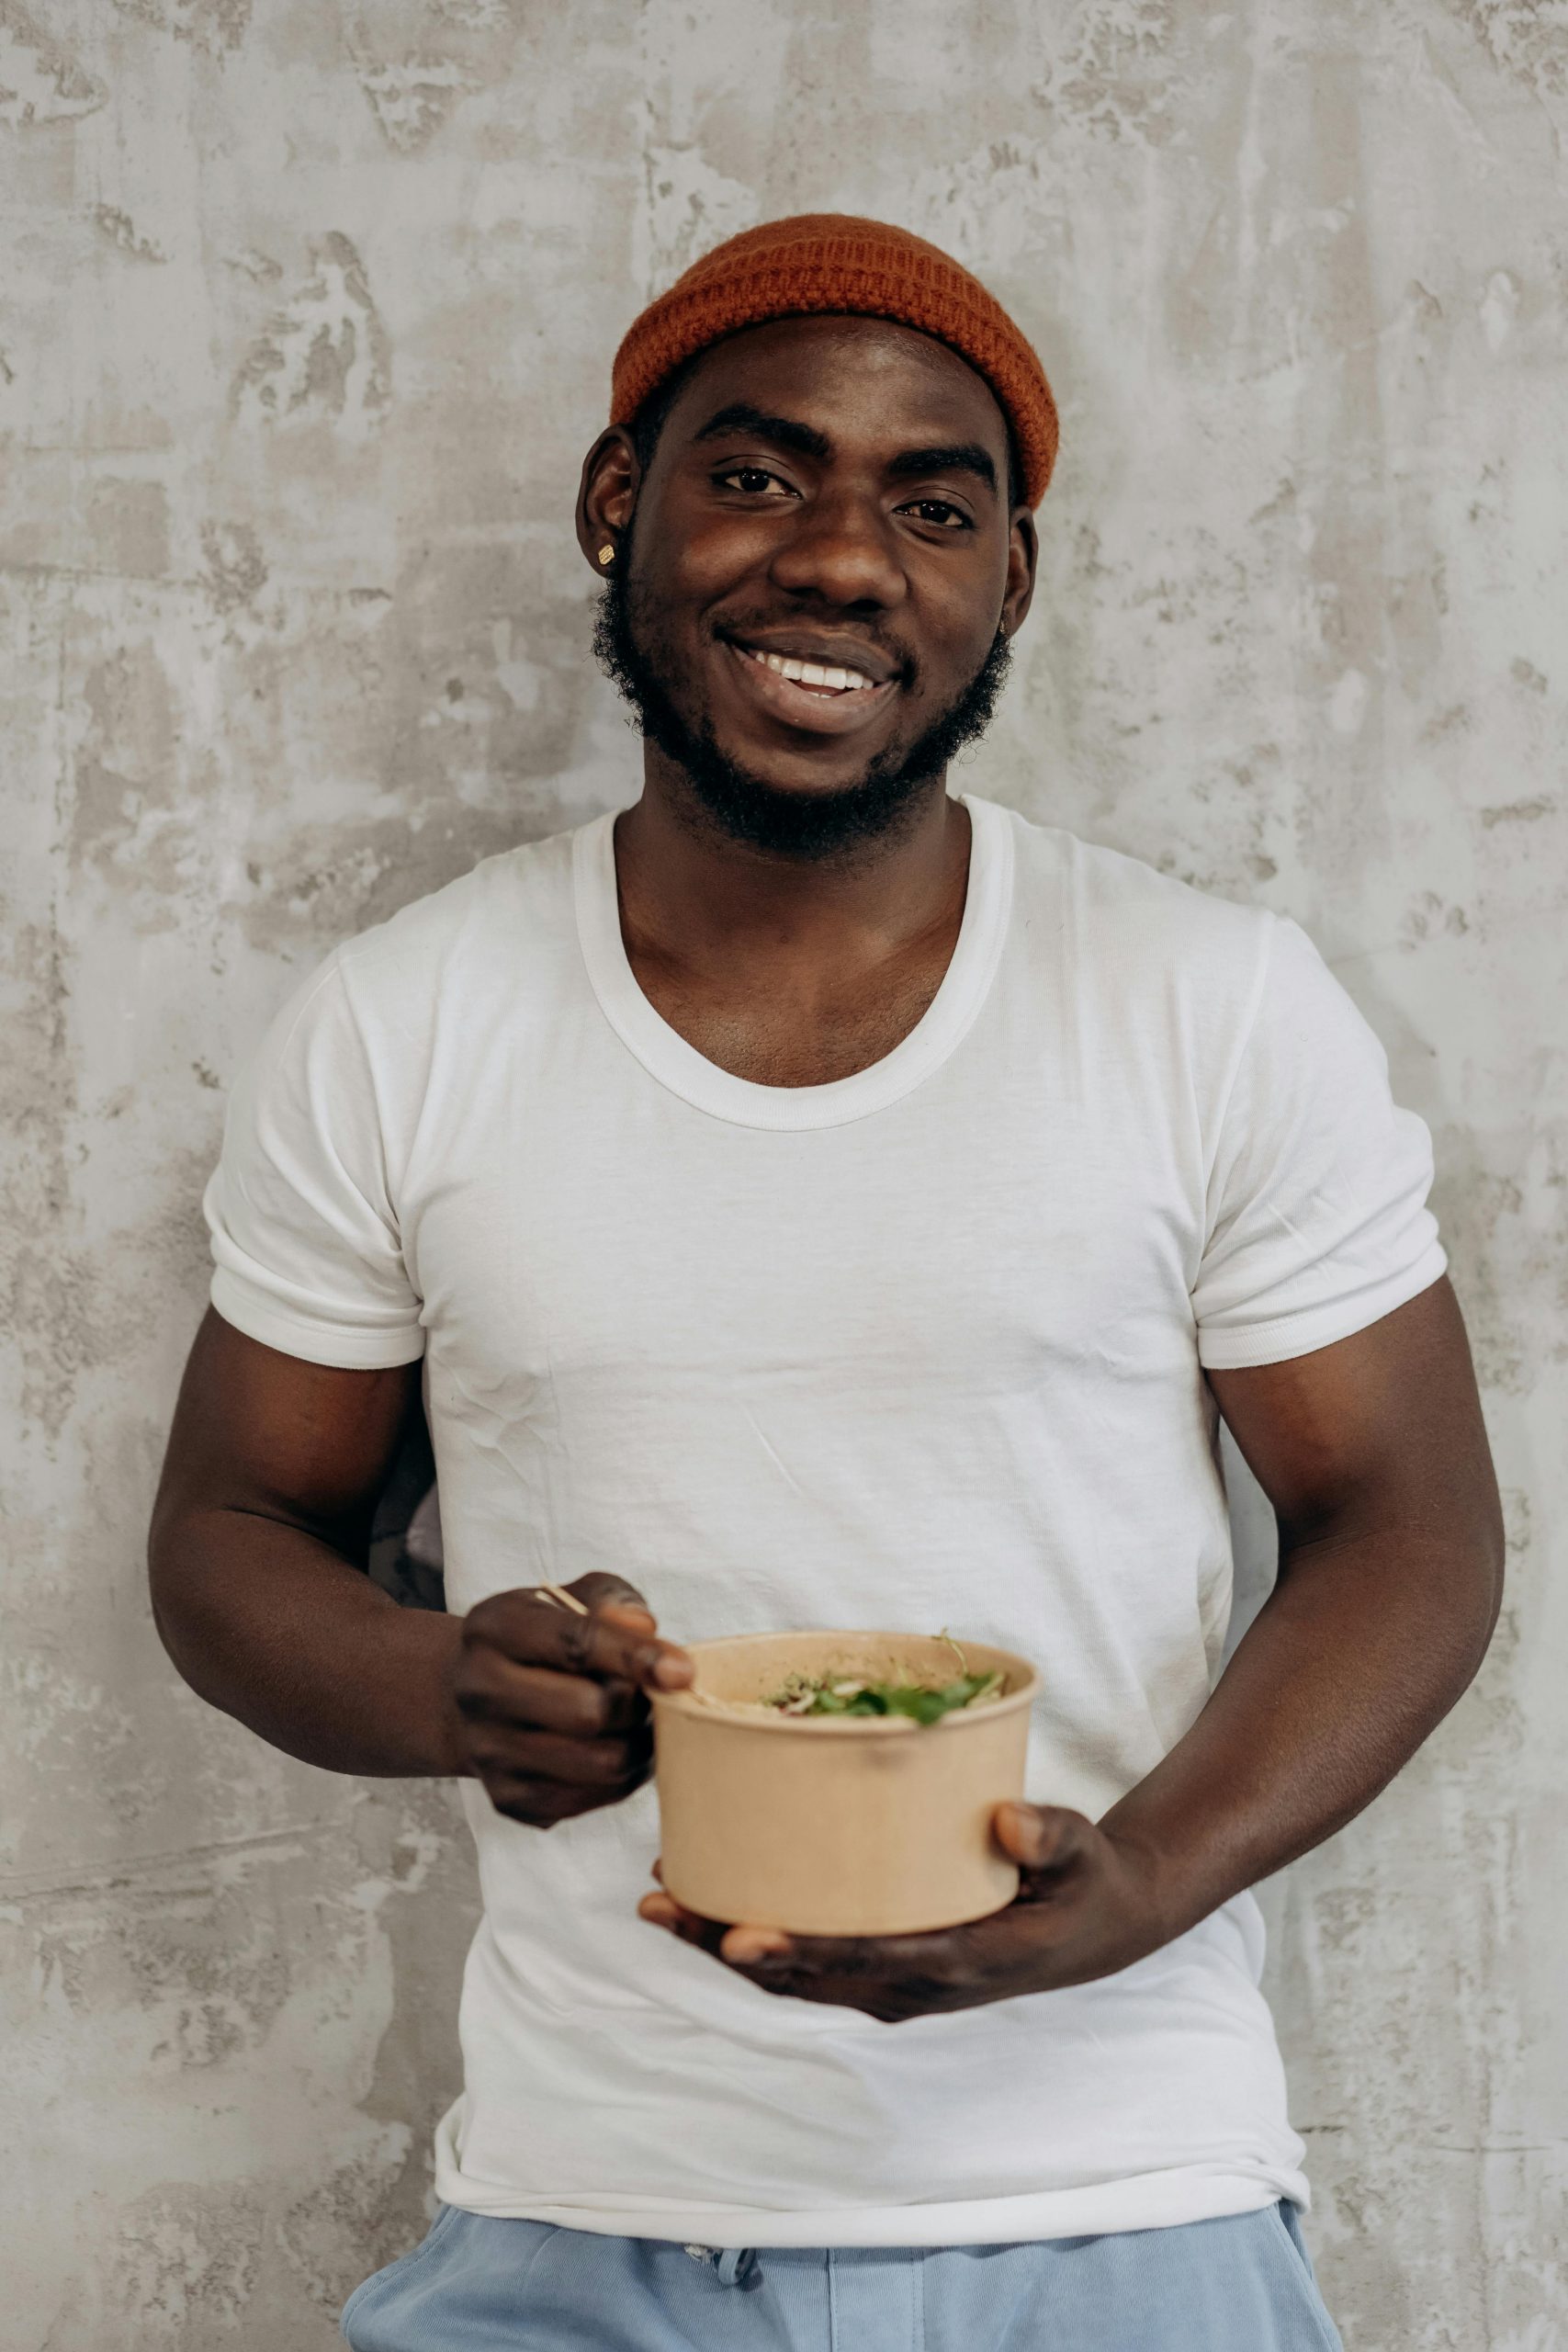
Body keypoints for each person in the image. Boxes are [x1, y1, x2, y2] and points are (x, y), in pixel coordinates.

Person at [149, 215, 1503, 2350]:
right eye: (758, 473)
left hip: (1116, 2216)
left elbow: (1405, 1523)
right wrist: (443, 1689)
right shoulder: (401, 1022)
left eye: (931, 507)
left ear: (1005, 583)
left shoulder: (1210, 1006)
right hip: (579, 2220)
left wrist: (1141, 1878)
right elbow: (231, 1529)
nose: (843, 560)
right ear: (619, 502)